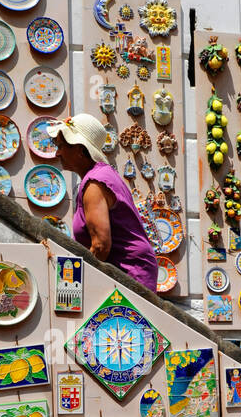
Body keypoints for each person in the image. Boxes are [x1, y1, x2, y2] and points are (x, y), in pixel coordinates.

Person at [46, 115, 158, 290]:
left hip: (129, 274)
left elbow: (100, 246)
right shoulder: (99, 176)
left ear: (80, 149)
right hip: (132, 270)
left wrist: (76, 285)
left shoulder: (94, 183)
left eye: (61, 146)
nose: (57, 153)